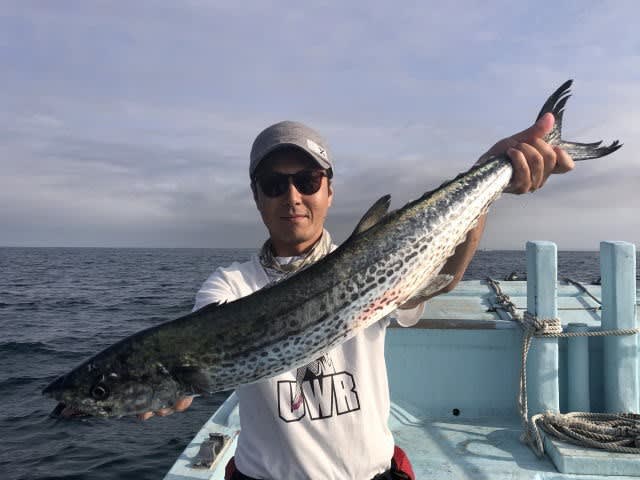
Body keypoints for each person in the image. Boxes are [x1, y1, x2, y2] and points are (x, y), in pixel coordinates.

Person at [140, 115, 574, 479]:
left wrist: (490, 172)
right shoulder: (230, 286)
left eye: (307, 180)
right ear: (256, 197)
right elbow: (196, 343)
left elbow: (442, 275)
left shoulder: (373, 263)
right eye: (274, 184)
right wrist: (178, 387)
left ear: (329, 190)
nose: (292, 196)